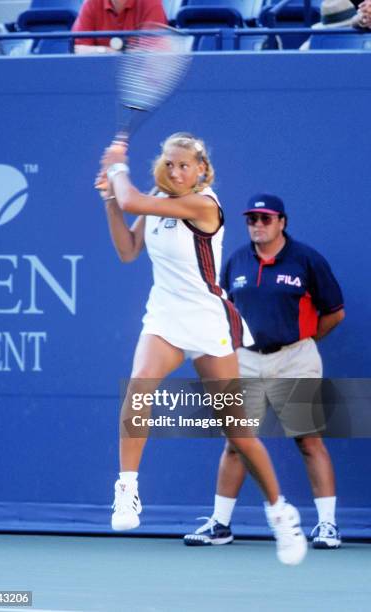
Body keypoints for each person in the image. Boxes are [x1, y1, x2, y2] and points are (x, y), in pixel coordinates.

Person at [97, 135, 307, 565]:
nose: (175, 172)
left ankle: (280, 512)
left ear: (202, 169)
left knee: (238, 433)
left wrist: (118, 167)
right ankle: (127, 490)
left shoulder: (205, 205)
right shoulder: (156, 196)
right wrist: (108, 200)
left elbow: (132, 200)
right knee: (140, 387)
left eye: (184, 166)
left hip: (208, 321)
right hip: (164, 317)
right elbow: (127, 250)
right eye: (170, 164)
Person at [184, 193, 345, 550]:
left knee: (309, 440)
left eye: (266, 219)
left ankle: (328, 525)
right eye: (252, 219)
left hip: (296, 358)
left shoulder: (306, 260)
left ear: (282, 222)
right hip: (246, 359)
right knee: (236, 443)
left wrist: (299, 341)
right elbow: (223, 308)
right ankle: (220, 525)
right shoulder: (237, 261)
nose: (258, 225)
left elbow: (334, 312)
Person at [72, 0, 167, 54]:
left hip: (140, 77)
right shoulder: (91, 3)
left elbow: (151, 53)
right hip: (97, 73)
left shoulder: (151, 3)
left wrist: (103, 52)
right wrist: (106, 51)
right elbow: (79, 50)